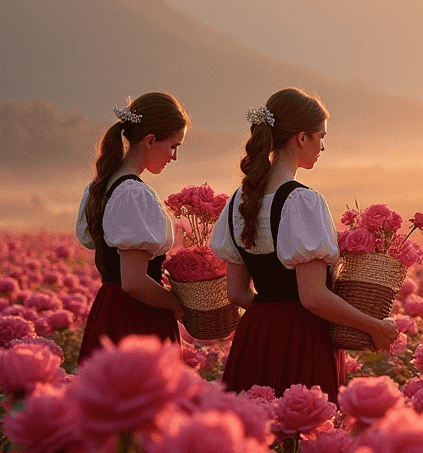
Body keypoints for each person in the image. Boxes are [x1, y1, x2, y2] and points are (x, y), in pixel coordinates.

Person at [213, 88, 397, 397]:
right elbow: (312, 297)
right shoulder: (301, 201)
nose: (323, 146)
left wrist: (270, 314)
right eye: (320, 136)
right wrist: (374, 327)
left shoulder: (237, 202)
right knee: (303, 428)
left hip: (255, 336)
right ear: (301, 138)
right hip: (302, 337)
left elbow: (236, 292)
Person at [76, 93, 189, 364]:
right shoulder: (132, 193)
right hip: (135, 317)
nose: (174, 156)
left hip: (109, 310)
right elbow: (134, 282)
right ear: (149, 141)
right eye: (173, 146)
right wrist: (177, 305)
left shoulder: (102, 186)